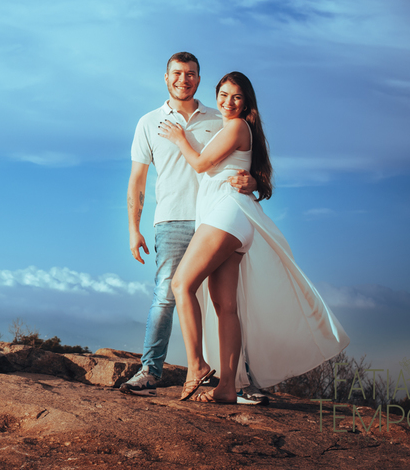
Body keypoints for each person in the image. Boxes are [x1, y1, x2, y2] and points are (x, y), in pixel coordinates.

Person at [160, 71, 349, 403]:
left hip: (227, 216)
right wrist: (252, 183)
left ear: (246, 103)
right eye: (223, 95)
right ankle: (228, 387)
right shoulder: (235, 130)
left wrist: (179, 139)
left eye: (236, 97)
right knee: (225, 305)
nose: (228, 102)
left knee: (180, 284)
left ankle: (196, 367)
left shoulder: (235, 127)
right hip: (237, 218)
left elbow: (201, 164)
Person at [120, 52, 258, 398]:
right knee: (167, 294)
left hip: (216, 218)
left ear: (199, 79)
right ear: (166, 78)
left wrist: (254, 182)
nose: (184, 79)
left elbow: (245, 161)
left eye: (192, 73)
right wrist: (133, 228)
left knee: (226, 301)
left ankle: (235, 379)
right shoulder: (149, 122)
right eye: (178, 73)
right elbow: (137, 180)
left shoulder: (222, 116)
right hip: (173, 218)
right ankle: (151, 371)